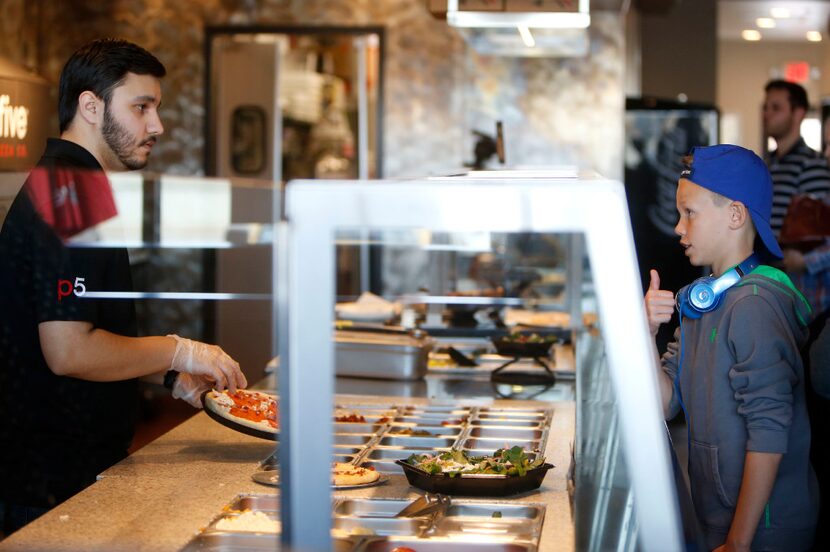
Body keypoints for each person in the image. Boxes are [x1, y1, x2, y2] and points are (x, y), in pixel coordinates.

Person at [0, 38, 247, 534]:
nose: (157, 125)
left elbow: (92, 328)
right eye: (141, 107)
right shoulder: (71, 192)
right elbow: (69, 351)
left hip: (63, 468)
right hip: (48, 482)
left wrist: (168, 375)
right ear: (90, 106)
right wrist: (179, 351)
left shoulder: (76, 183)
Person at [645, 144, 818, 551]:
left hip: (766, 531)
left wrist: (739, 540)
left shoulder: (754, 305)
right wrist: (646, 332)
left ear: (736, 215)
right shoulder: (698, 300)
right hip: (718, 520)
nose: (678, 228)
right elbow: (663, 404)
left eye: (690, 213)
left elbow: (769, 430)